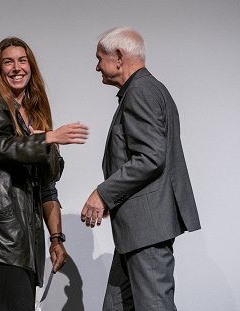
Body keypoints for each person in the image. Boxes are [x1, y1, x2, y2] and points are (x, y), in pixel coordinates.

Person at [81, 26, 201, 310]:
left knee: (154, 305)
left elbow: (150, 157)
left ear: (119, 57)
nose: (97, 66)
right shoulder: (144, 89)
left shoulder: (142, 91)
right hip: (136, 230)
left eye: (100, 58)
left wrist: (104, 193)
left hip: (147, 229)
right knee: (115, 305)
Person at [0, 37, 89, 311]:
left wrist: (56, 239)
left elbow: (48, 183)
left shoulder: (33, 114)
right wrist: (47, 138)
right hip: (1, 239)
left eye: (22, 60)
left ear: (31, 66)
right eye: (8, 62)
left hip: (24, 244)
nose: (16, 68)